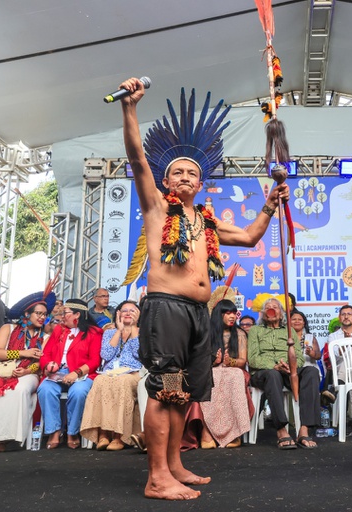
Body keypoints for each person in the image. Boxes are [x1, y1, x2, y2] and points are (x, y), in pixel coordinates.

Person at [119, 77, 289, 500]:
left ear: (201, 183)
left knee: (183, 395)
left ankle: (175, 464)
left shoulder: (207, 222)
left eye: (191, 172)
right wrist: (130, 107)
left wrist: (269, 205)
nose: (183, 176)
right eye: (176, 171)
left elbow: (251, 237)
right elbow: (138, 159)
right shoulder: (157, 207)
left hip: (199, 313)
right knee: (165, 388)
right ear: (166, 179)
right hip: (167, 309)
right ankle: (156, 477)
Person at [0, 285, 56, 451]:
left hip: (30, 373)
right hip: (3, 368)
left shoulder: (46, 336)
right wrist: (24, 353)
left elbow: (43, 362)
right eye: (38, 313)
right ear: (27, 314)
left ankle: (7, 437)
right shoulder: (8, 328)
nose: (42, 317)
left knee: (19, 390)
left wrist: (27, 371)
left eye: (45, 314)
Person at [248, 298, 319, 450]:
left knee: (311, 372)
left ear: (281, 314)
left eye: (275, 307)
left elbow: (299, 357)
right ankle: (281, 430)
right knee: (273, 375)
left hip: (288, 370)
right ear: (263, 313)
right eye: (268, 307)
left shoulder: (289, 330)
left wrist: (290, 367)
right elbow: (253, 358)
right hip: (264, 372)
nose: (271, 309)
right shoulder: (255, 330)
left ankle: (304, 430)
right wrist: (274, 366)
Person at [37, 299, 103, 449]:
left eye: (65, 312)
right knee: (45, 389)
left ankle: (72, 432)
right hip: (58, 372)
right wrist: (48, 365)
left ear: (77, 314)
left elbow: (95, 360)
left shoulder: (94, 333)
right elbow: (45, 354)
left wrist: (76, 373)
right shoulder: (59, 330)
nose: (62, 316)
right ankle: (54, 431)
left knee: (78, 392)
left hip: (83, 373)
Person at [188, 299, 251, 449]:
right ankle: (207, 431)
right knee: (211, 377)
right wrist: (214, 361)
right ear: (218, 314)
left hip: (235, 370)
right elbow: (199, 360)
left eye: (234, 313)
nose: (232, 317)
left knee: (234, 376)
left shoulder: (240, 333)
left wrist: (231, 362)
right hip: (213, 369)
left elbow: (242, 361)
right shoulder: (207, 333)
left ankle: (235, 433)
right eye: (227, 313)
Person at [80, 301, 143, 450]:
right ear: (118, 314)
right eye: (124, 310)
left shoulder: (142, 332)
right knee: (100, 381)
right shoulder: (109, 332)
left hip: (132, 373)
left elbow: (139, 354)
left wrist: (133, 327)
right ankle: (103, 434)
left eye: (132, 311)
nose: (128, 313)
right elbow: (106, 355)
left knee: (122, 383)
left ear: (139, 315)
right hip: (110, 373)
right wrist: (118, 331)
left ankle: (118, 436)